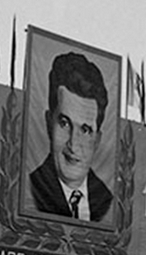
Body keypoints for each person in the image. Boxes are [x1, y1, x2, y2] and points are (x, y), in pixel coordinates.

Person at [29, 51, 113, 223]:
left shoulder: (106, 201)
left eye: (85, 130)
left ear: (97, 141)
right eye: (65, 123)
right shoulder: (31, 189)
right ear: (48, 123)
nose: (73, 145)